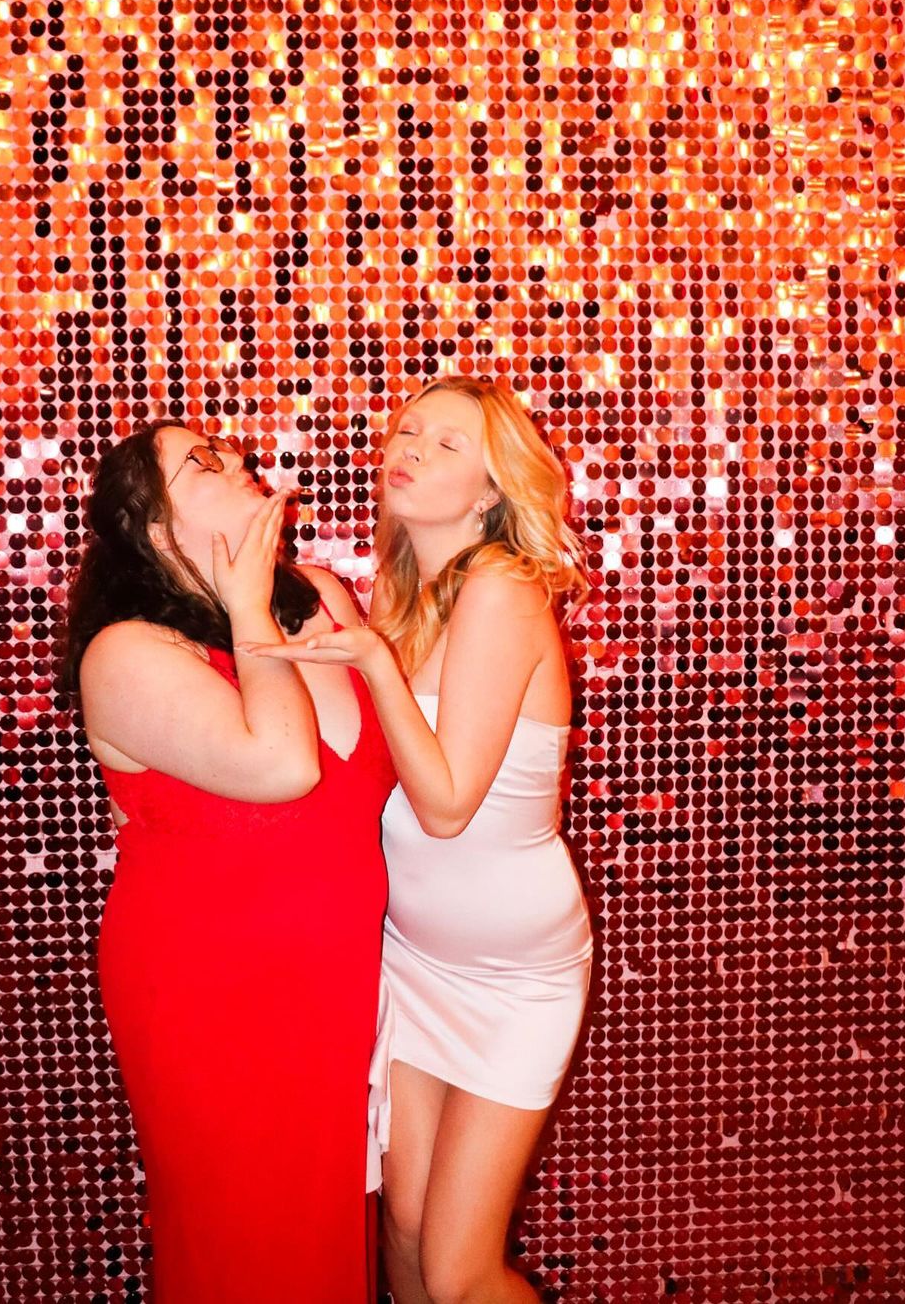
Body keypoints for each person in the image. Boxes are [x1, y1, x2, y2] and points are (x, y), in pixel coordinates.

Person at [241, 377, 592, 1304]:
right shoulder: (402, 601)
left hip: (513, 975)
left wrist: (370, 662)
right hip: (414, 957)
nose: (411, 449)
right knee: (398, 1226)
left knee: (456, 1269)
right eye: (407, 431)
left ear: (491, 489)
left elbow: (444, 805)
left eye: (446, 444)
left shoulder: (501, 589)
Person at [57, 420, 396, 1304]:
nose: (239, 463)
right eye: (203, 463)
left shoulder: (323, 599)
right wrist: (248, 610)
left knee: (326, 1241)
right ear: (151, 525)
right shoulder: (127, 652)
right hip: (211, 998)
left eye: (234, 453)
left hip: (343, 988)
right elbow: (282, 767)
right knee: (245, 1245)